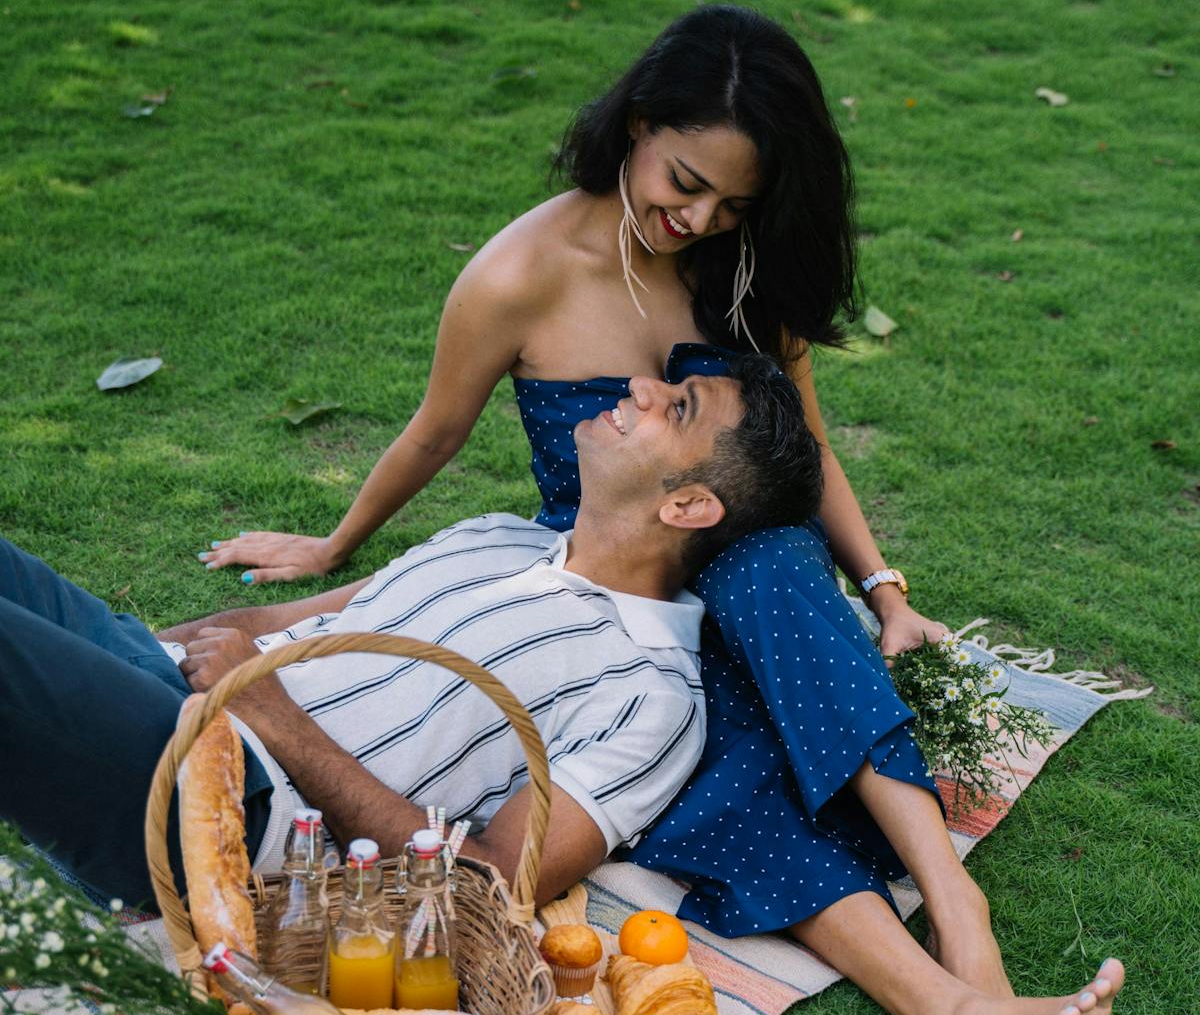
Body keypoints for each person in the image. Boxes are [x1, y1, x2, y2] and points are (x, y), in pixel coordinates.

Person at [195, 6, 1123, 1015]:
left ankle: (954, 913)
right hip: (612, 580)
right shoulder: (520, 274)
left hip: (739, 561)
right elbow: (434, 431)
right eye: (685, 182)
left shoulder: (741, 267)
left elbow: (802, 440)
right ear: (637, 126)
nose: (699, 218)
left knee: (770, 572)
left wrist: (883, 591)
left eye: (733, 202)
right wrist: (335, 544)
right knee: (717, 766)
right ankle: (950, 1013)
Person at [0, 357, 819, 917]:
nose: (640, 385)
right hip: (167, 691)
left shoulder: (652, 692)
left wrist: (278, 717)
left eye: (674, 408)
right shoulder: (497, 534)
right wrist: (126, 653)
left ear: (688, 507)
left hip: (230, 813)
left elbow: (496, 886)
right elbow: (277, 624)